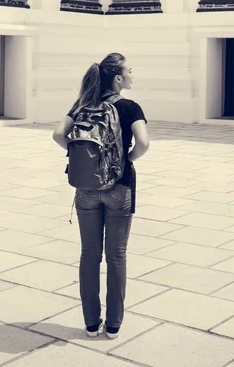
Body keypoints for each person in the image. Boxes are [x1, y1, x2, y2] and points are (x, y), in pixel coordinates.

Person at [52, 52, 150, 339]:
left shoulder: (83, 105)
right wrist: (125, 160)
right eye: (129, 70)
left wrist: (85, 159)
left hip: (86, 189)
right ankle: (114, 325)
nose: (133, 74)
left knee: (89, 255)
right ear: (118, 78)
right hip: (120, 188)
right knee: (117, 256)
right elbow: (143, 143)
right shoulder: (130, 107)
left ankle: (91, 324)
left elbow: (59, 135)